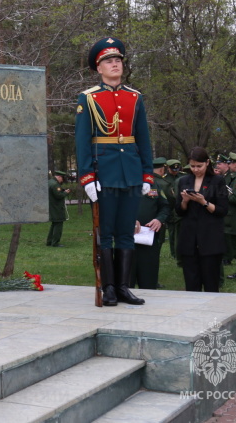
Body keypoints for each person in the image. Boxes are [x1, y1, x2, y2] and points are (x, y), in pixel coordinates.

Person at [75, 37, 154, 306]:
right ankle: (107, 287)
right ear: (99, 68)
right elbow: (83, 140)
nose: (115, 64)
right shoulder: (88, 98)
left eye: (118, 60)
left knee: (125, 231)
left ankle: (123, 287)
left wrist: (147, 174)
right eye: (109, 61)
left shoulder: (135, 97)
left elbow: (143, 138)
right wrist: (87, 176)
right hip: (104, 172)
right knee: (105, 231)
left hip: (130, 171)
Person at [176, 147, 228, 292]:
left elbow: (222, 210)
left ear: (207, 163)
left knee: (211, 283)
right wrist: (185, 201)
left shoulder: (217, 181)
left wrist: (203, 202)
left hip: (210, 238)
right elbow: (179, 211)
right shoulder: (184, 181)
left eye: (199, 166)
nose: (196, 169)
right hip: (189, 238)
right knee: (191, 284)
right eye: (192, 166)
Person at [131, 175, 170, 290]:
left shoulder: (153, 184)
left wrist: (159, 219)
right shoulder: (121, 183)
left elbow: (165, 206)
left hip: (149, 240)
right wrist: (128, 219)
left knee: (149, 282)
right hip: (127, 241)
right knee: (126, 282)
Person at [47, 171, 71, 247]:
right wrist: (66, 192)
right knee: (58, 224)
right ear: (59, 177)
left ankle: (49, 241)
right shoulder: (55, 184)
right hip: (56, 207)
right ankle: (55, 243)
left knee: (54, 224)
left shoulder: (50, 182)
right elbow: (59, 195)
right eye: (62, 179)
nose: (62, 181)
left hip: (51, 206)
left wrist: (62, 190)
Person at [165, 159, 183, 260]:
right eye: (173, 169)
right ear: (168, 168)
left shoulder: (182, 176)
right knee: (172, 233)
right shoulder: (165, 178)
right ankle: (173, 253)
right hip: (170, 208)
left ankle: (180, 251)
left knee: (181, 232)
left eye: (177, 169)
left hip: (180, 207)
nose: (175, 171)